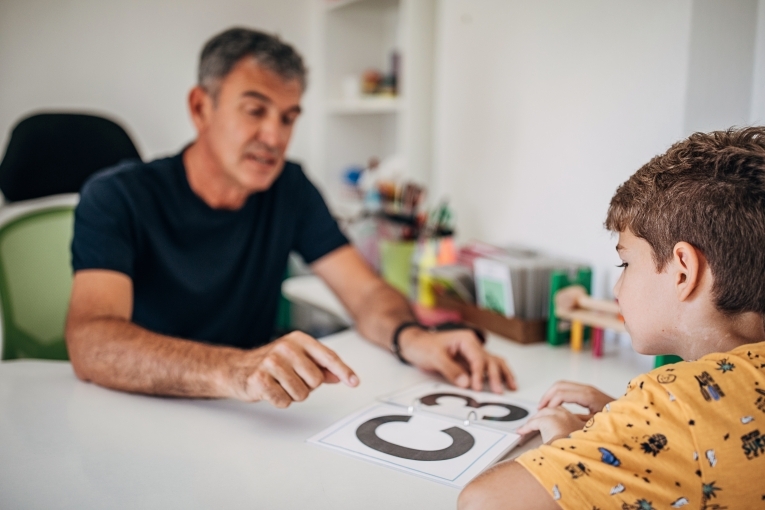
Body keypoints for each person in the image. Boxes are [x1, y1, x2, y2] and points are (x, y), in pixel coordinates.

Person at [64, 27, 515, 409]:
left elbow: (365, 291)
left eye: (288, 117)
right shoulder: (116, 196)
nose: (274, 137)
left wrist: (411, 337)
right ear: (201, 108)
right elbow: (92, 341)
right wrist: (233, 369)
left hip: (246, 414)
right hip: (139, 407)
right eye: (256, 111)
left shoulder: (290, 188)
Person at [458, 126, 765, 509]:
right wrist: (629, 429)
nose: (617, 288)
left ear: (683, 272)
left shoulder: (677, 403)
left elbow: (483, 502)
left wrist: (569, 450)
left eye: (625, 262)